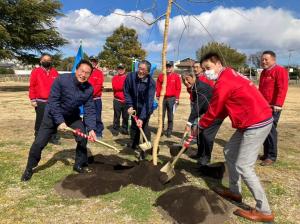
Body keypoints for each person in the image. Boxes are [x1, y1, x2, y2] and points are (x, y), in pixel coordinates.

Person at [197, 52, 274, 222]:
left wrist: (201, 125)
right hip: (248, 121)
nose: (206, 72)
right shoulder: (228, 73)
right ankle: (235, 192)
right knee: (229, 151)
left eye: (208, 68)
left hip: (256, 121)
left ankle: (265, 211)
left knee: (244, 167)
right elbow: (223, 107)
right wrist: (204, 124)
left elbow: (216, 108)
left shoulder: (224, 81)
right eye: (203, 70)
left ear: (218, 64)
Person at [21, 60, 97, 182]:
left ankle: (79, 164)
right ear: (76, 70)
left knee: (82, 137)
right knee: (39, 143)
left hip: (72, 117)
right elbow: (53, 102)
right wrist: (60, 121)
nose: (83, 75)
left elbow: (90, 109)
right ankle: (29, 168)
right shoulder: (62, 80)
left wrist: (92, 128)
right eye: (81, 71)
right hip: (51, 115)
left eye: (87, 73)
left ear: (90, 75)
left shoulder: (89, 89)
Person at [182, 72, 222, 166]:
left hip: (216, 113)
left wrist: (189, 123)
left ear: (193, 77)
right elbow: (199, 106)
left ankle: (206, 158)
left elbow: (197, 107)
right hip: (206, 112)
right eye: (183, 80)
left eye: (187, 79)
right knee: (199, 133)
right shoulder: (194, 87)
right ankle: (200, 154)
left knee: (207, 135)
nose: (185, 82)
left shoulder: (200, 88)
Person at [259, 50, 289, 166]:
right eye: (262, 59)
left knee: (271, 130)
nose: (263, 61)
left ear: (273, 60)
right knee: (264, 130)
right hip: (264, 106)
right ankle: (266, 154)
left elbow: (282, 88)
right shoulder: (263, 73)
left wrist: (278, 104)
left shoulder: (280, 71)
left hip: (274, 107)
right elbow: (261, 89)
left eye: (266, 59)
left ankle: (271, 156)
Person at [29, 54, 60, 144]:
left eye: (48, 60)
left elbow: (58, 86)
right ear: (41, 61)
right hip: (40, 101)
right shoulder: (35, 71)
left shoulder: (54, 72)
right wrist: (33, 99)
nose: (47, 61)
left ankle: (52, 137)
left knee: (54, 119)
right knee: (40, 119)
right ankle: (37, 137)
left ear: (51, 61)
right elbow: (32, 86)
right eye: (44, 59)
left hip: (53, 101)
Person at [124, 60, 156, 150]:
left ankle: (147, 147)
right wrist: (130, 105)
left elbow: (148, 102)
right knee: (134, 126)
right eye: (139, 68)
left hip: (145, 108)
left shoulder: (151, 83)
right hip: (134, 106)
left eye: (143, 70)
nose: (140, 71)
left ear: (148, 71)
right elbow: (127, 91)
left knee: (144, 126)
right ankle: (134, 144)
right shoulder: (130, 77)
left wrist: (142, 118)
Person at [156, 61, 181, 137]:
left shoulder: (176, 76)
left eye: (169, 66)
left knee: (170, 115)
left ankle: (169, 130)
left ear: (172, 67)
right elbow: (158, 86)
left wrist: (177, 98)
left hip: (172, 99)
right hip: (163, 98)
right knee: (161, 115)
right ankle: (161, 130)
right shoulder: (161, 76)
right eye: (167, 66)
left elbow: (178, 88)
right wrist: (158, 95)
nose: (168, 68)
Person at [88, 56, 104, 139]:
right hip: (87, 99)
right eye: (91, 61)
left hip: (96, 99)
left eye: (94, 61)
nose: (93, 63)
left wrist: (88, 93)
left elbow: (98, 85)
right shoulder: (86, 72)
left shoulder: (99, 73)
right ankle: (89, 130)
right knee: (87, 115)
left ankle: (99, 132)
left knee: (97, 116)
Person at [111, 63, 129, 136]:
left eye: (122, 68)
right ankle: (115, 129)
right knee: (116, 116)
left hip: (126, 100)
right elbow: (115, 87)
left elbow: (129, 88)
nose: (120, 70)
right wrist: (124, 87)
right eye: (119, 68)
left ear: (124, 69)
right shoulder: (114, 78)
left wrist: (124, 87)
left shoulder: (128, 78)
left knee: (126, 116)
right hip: (117, 100)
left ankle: (125, 129)